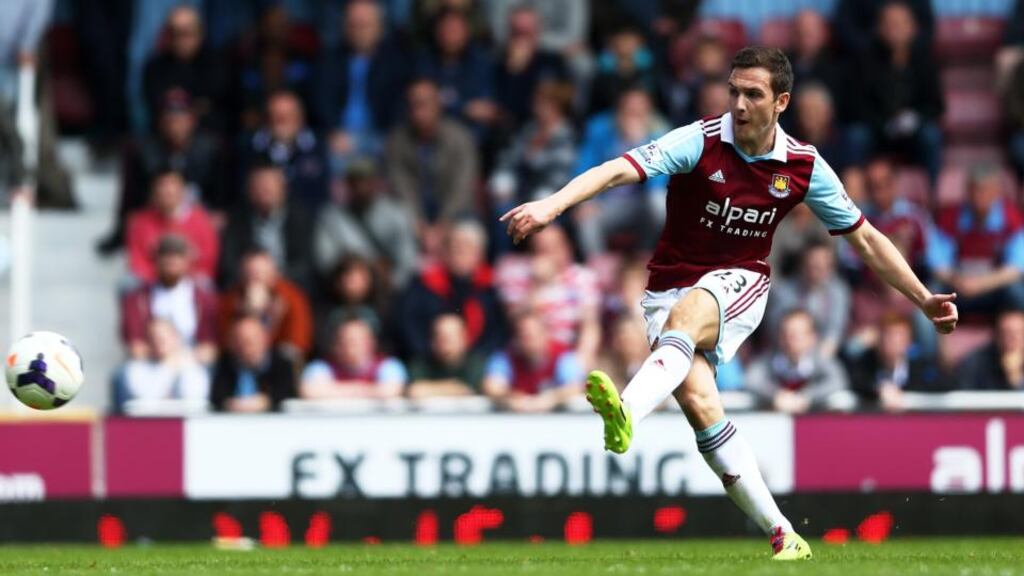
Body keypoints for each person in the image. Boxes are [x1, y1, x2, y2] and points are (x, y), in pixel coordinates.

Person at [500, 46, 958, 560]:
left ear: (781, 101)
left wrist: (921, 298)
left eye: (753, 94)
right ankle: (784, 534)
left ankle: (627, 408)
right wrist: (551, 205)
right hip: (664, 288)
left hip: (741, 283)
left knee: (691, 313)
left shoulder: (804, 167)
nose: (738, 105)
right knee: (701, 405)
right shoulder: (700, 139)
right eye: (733, 91)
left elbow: (867, 240)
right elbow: (615, 171)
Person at [745, 309, 851, 413]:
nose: (789, 340)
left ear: (812, 337)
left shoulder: (820, 360)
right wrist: (776, 395)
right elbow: (751, 379)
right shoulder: (768, 360)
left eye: (797, 335)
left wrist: (806, 397)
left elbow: (837, 380)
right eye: (786, 334)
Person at [482, 310, 584, 413]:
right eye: (522, 336)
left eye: (531, 335)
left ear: (545, 333)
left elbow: (575, 386)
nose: (527, 341)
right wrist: (513, 398)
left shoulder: (562, 356)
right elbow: (492, 386)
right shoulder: (506, 356)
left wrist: (550, 399)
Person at [300, 317, 407, 400]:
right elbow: (310, 391)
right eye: (345, 341)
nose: (350, 347)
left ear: (371, 342)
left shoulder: (388, 365)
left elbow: (390, 392)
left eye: (356, 341)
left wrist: (335, 391)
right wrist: (370, 390)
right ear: (335, 345)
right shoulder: (321, 367)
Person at [211, 315, 297, 413]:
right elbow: (217, 397)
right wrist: (232, 404)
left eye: (250, 341)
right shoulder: (225, 363)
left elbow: (288, 393)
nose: (244, 348)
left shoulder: (282, 364)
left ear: (264, 339)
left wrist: (266, 402)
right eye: (239, 341)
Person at [407, 314, 487, 399]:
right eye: (438, 336)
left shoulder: (476, 363)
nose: (443, 342)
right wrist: (455, 387)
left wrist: (432, 389)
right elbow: (415, 391)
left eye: (449, 338)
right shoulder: (421, 363)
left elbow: (470, 389)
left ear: (464, 339)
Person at [956, 309, 1024, 391]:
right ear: (996, 335)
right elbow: (963, 396)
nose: (1011, 339)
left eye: (1017, 333)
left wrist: (1016, 378)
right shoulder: (975, 362)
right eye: (1005, 333)